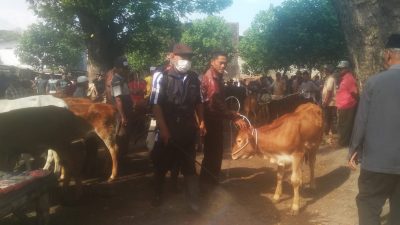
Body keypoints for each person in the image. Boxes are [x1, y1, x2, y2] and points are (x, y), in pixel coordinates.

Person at [348, 33, 400, 225]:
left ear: (388, 55)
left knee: (369, 207)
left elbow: (361, 121)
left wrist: (354, 149)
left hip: (377, 163)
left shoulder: (374, 83)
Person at [149, 43, 206, 211]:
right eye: (182, 57)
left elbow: (199, 102)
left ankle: (193, 201)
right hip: (168, 127)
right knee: (161, 164)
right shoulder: (161, 76)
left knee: (189, 166)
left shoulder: (194, 78)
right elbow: (156, 105)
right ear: (172, 56)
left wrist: (202, 121)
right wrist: (164, 129)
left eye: (189, 58)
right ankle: (158, 193)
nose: (186, 61)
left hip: (188, 128)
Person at [200, 51, 247, 188]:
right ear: (212, 62)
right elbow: (215, 102)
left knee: (214, 152)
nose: (223, 65)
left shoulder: (217, 77)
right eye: (220, 62)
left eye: (225, 63)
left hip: (215, 118)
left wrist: (230, 113)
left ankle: (210, 179)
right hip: (211, 119)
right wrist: (233, 116)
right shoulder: (211, 78)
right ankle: (208, 181)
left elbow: (220, 102)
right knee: (213, 152)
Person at [110, 56, 134, 157]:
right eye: (124, 68)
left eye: (126, 68)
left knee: (126, 136)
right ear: (117, 69)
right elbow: (118, 99)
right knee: (121, 135)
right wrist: (123, 116)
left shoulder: (122, 79)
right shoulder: (116, 81)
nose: (126, 70)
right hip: (121, 113)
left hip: (126, 111)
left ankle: (123, 157)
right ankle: (119, 160)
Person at [335, 60, 358, 147]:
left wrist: (358, 102)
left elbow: (354, 93)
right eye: (339, 69)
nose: (340, 71)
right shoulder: (343, 78)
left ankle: (343, 143)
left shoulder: (349, 78)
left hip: (348, 105)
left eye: (342, 69)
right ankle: (343, 142)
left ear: (347, 69)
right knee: (342, 124)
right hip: (343, 106)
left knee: (346, 125)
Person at [321, 65, 337, 144]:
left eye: (325, 70)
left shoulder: (330, 79)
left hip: (330, 103)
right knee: (328, 119)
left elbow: (329, 91)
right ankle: (329, 136)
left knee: (328, 119)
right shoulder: (328, 79)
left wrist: (325, 102)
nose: (324, 71)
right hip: (329, 102)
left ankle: (328, 136)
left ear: (328, 71)